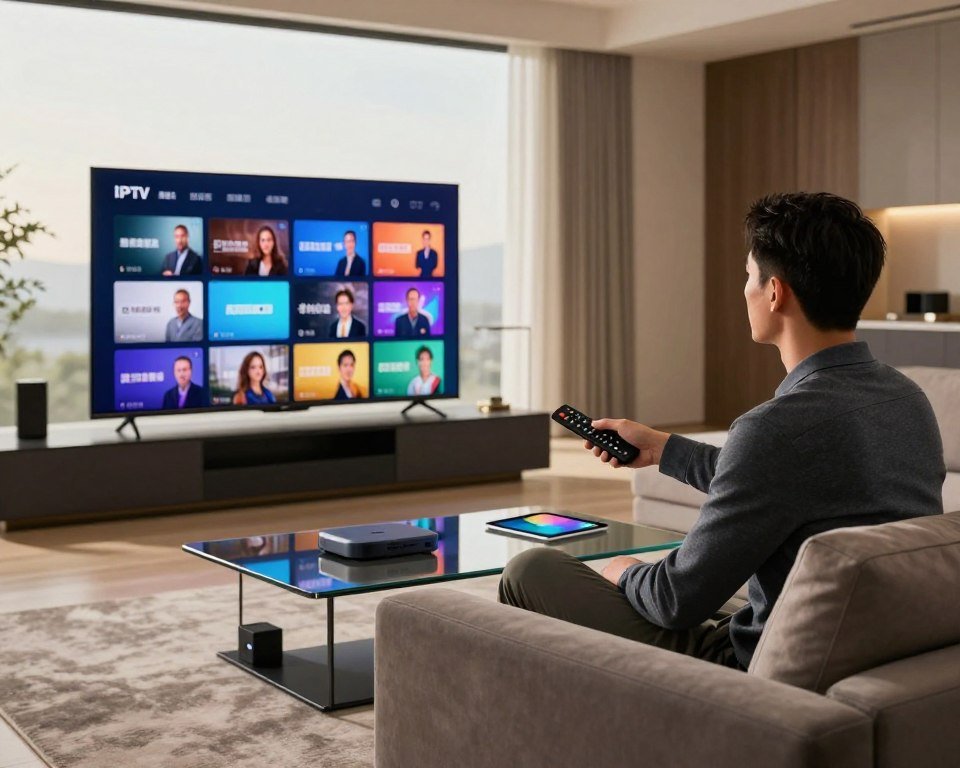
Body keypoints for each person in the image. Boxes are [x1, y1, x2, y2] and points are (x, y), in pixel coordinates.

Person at [499, 192, 945, 672]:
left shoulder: (774, 429)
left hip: (758, 663)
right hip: (876, 643)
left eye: (749, 276)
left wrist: (623, 571)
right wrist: (663, 449)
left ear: (774, 293)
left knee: (531, 569)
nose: (745, 289)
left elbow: (674, 600)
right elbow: (789, 479)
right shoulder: (907, 399)